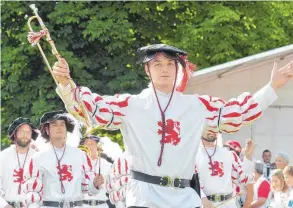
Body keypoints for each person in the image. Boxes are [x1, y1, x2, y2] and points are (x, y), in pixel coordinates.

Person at [52, 44, 292, 207]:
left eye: (169, 64)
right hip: (145, 196)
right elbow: (91, 109)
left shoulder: (196, 105)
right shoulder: (131, 104)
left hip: (185, 197)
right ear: (147, 70)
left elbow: (237, 113)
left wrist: (272, 88)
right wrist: (65, 83)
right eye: (157, 64)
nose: (164, 69)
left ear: (178, 69)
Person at [23, 111, 104, 207]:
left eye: (62, 124)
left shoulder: (81, 155)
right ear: (47, 130)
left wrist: (95, 183)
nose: (59, 127)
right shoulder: (37, 158)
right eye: (54, 125)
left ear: (66, 129)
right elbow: (32, 192)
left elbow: (88, 188)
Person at [196, 133, 254, 208]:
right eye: (208, 126)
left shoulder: (229, 154)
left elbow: (243, 179)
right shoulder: (194, 155)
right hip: (205, 205)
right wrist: (202, 197)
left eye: (214, 127)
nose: (211, 130)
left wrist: (248, 158)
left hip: (228, 204)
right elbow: (192, 182)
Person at [0, 117, 39, 208]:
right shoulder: (3, 156)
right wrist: (5, 205)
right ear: (14, 133)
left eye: (28, 132)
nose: (25, 135)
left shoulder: (38, 158)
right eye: (21, 131)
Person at [80, 135, 113, 208]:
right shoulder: (77, 164)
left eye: (92, 143)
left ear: (97, 147)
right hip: (82, 205)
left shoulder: (107, 165)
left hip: (102, 205)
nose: (89, 146)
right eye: (87, 144)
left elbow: (113, 187)